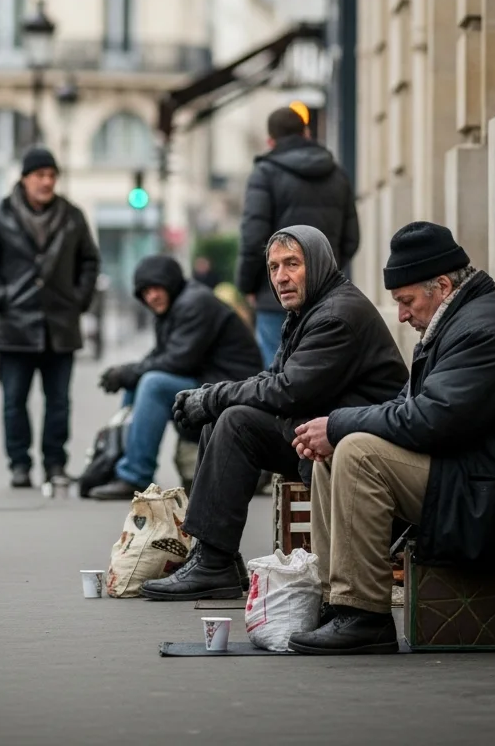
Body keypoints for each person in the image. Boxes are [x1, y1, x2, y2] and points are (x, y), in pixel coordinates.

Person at [287, 222, 495, 654]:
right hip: (473, 477)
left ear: (442, 286)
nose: (401, 314)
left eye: (406, 301)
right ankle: (334, 602)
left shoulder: (486, 329)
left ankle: (364, 615)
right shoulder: (457, 322)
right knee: (334, 452)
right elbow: (409, 405)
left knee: (356, 452)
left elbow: (433, 420)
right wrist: (334, 431)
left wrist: (338, 425)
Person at [140, 224, 408, 601]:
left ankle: (214, 564)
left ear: (317, 264)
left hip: (356, 441)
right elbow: (274, 378)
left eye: (292, 264)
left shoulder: (337, 314)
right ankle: (214, 556)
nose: (281, 277)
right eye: (274, 267)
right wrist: (213, 397)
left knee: (235, 422)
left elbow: (289, 391)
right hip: (318, 428)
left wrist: (214, 397)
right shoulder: (309, 309)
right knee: (225, 418)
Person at [0, 146, 101, 488]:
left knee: (59, 402)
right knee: (14, 401)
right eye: (40, 175)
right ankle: (19, 464)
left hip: (61, 325)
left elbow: (90, 260)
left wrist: (78, 300)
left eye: (52, 176)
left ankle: (55, 464)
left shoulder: (72, 215)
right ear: (25, 178)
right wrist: (1, 298)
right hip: (16, 325)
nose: (47, 182)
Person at [88, 255, 262, 500]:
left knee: (153, 384)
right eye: (145, 292)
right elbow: (162, 355)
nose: (151, 297)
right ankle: (119, 463)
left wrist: (129, 372)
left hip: (231, 391)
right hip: (209, 384)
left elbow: (179, 360)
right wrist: (127, 373)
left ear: (170, 283)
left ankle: (135, 474)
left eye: (156, 288)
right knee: (137, 382)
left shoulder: (194, 303)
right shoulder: (175, 305)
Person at [237, 106, 360, 368]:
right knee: (320, 370)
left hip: (275, 298)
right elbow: (351, 239)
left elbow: (253, 238)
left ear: (271, 141)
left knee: (276, 374)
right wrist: (322, 273)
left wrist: (248, 286)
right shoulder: (336, 173)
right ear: (306, 133)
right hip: (326, 296)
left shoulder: (265, 174)